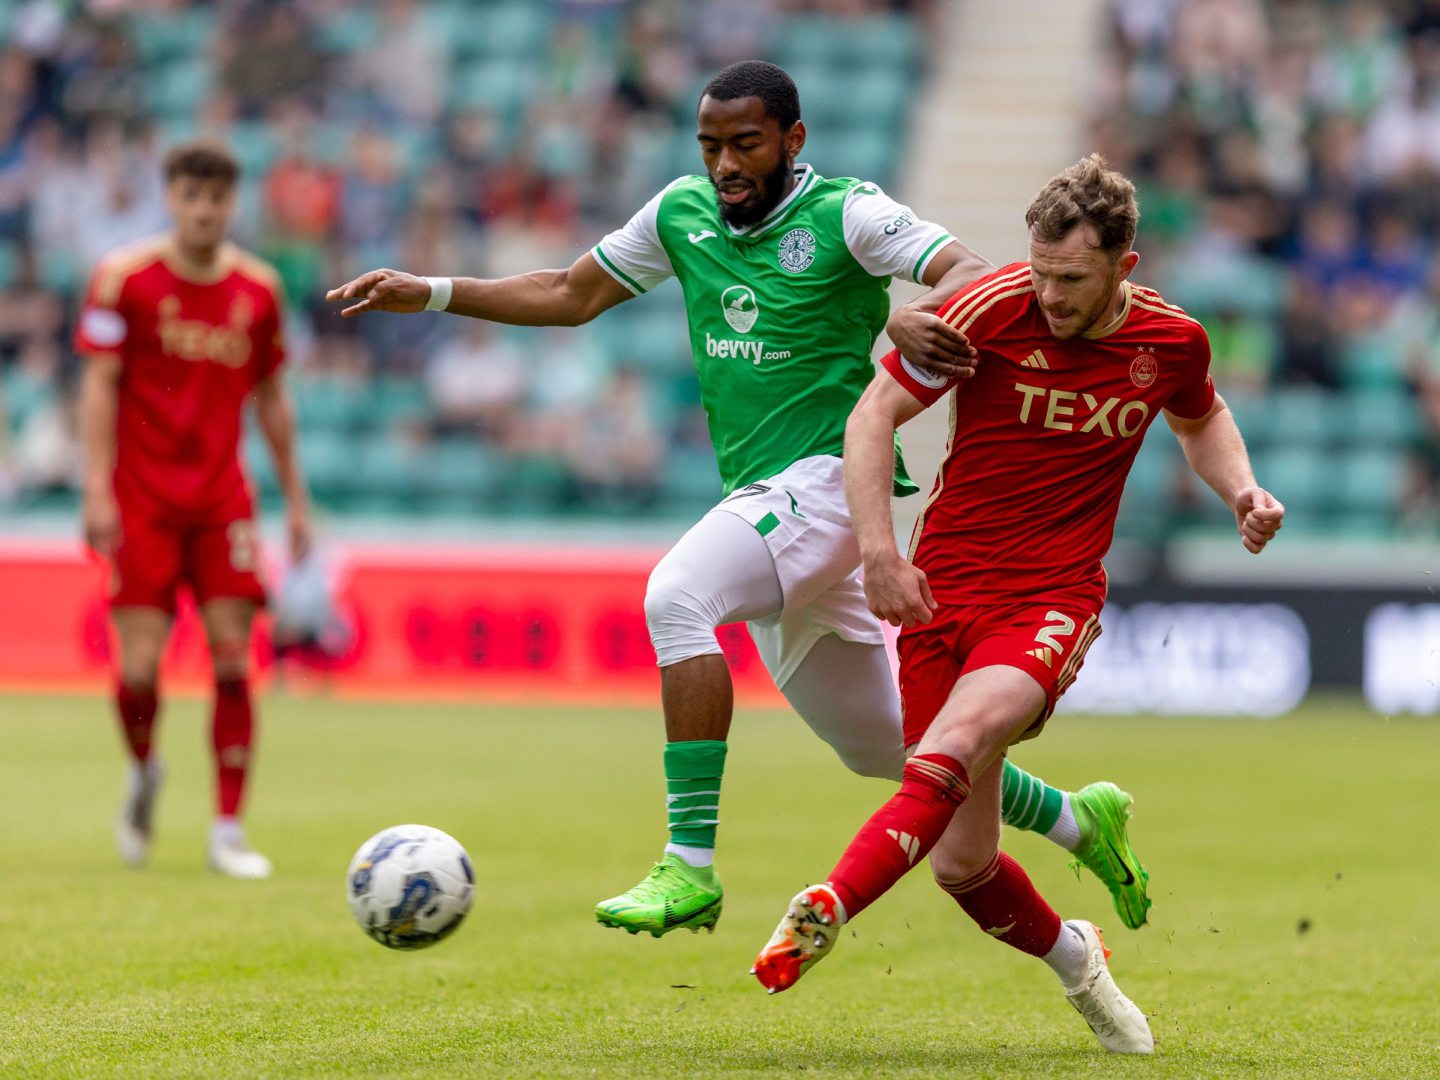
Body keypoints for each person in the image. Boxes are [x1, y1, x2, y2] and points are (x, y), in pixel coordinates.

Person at [326, 62, 1151, 936]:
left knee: (677, 594)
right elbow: (571, 294)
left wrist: (918, 310)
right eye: (711, 144)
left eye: (745, 144)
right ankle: (1077, 818)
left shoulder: (848, 212)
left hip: (833, 485)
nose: (724, 162)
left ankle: (688, 867)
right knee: (886, 745)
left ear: (792, 141)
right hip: (767, 500)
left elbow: (971, 270)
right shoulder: (680, 212)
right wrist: (438, 292)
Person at [750, 155, 1285, 1054]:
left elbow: (1200, 417)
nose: (1047, 293)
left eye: (1069, 278)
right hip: (940, 591)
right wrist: (880, 553)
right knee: (962, 865)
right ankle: (1079, 961)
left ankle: (825, 905)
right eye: (1038, 269)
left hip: (1050, 596)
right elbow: (871, 416)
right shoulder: (991, 309)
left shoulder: (1171, 342)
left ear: (1126, 266)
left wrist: (1242, 491)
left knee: (953, 745)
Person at [76, 141, 311, 879]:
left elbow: (272, 397)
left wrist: (296, 498)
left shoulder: (260, 290)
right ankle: (144, 768)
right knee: (140, 672)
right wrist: (94, 486)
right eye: (191, 196)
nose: (204, 209)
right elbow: (99, 384)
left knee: (235, 661)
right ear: (171, 197)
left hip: (221, 503)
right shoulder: (123, 280)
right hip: (142, 500)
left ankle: (228, 829)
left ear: (231, 202)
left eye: (216, 197)